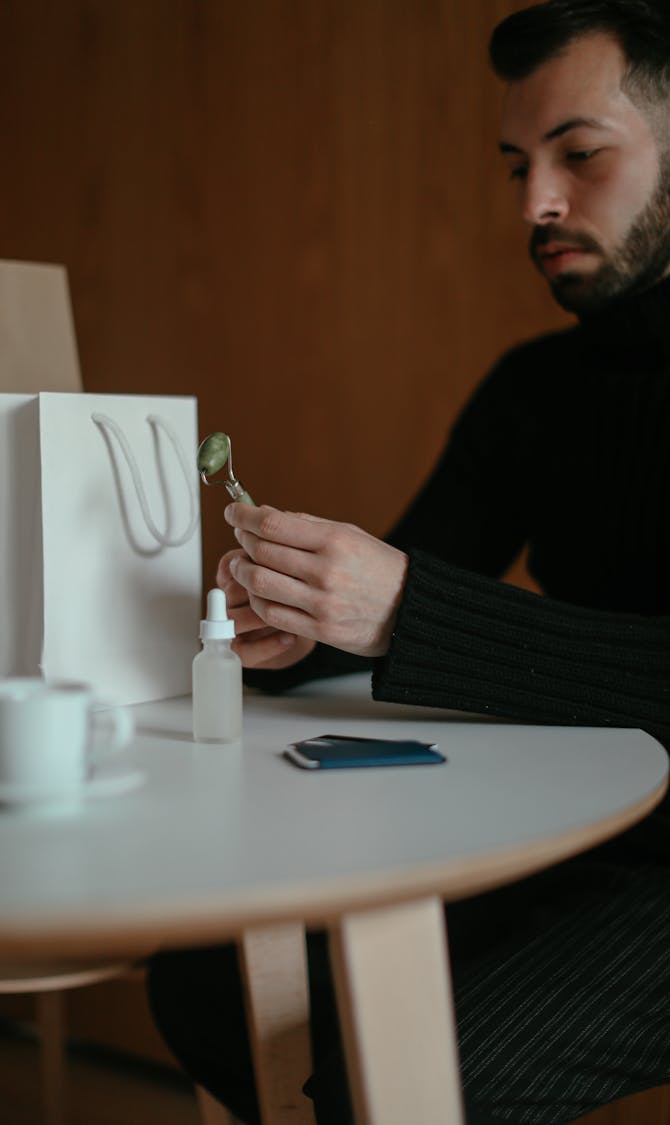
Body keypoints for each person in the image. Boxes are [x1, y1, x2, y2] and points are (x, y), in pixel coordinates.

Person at [148, 3, 670, 1122]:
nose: (536, 203)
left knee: (416, 1084)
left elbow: (415, 606)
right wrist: (286, 622)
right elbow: (404, 584)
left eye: (579, 155)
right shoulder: (534, 390)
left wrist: (404, 612)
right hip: (586, 820)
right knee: (204, 979)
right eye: (517, 165)